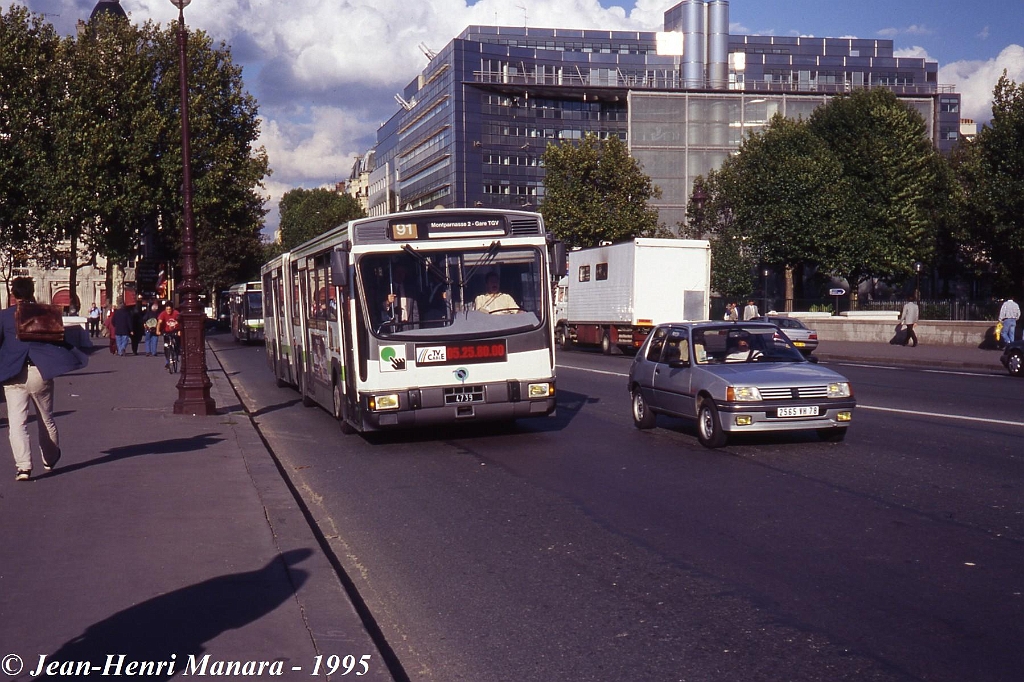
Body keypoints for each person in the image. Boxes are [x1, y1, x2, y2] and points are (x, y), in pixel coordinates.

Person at [0, 277, 87, 481]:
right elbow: (60, 340)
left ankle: (23, 467)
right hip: (40, 370)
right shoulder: (46, 313)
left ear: (14, 294)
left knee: (16, 423)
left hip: (14, 373)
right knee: (45, 417)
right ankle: (50, 457)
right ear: (32, 292)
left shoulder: (4, 316)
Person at [156, 303, 181, 371]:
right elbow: (159, 322)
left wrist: (180, 330)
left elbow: (181, 322)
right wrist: (157, 331)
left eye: (170, 309)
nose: (168, 311)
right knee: (166, 346)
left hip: (175, 330)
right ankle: (168, 362)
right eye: (167, 309)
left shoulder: (176, 313)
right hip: (166, 331)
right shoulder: (163, 314)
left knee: (177, 343)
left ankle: (176, 352)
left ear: (172, 309)